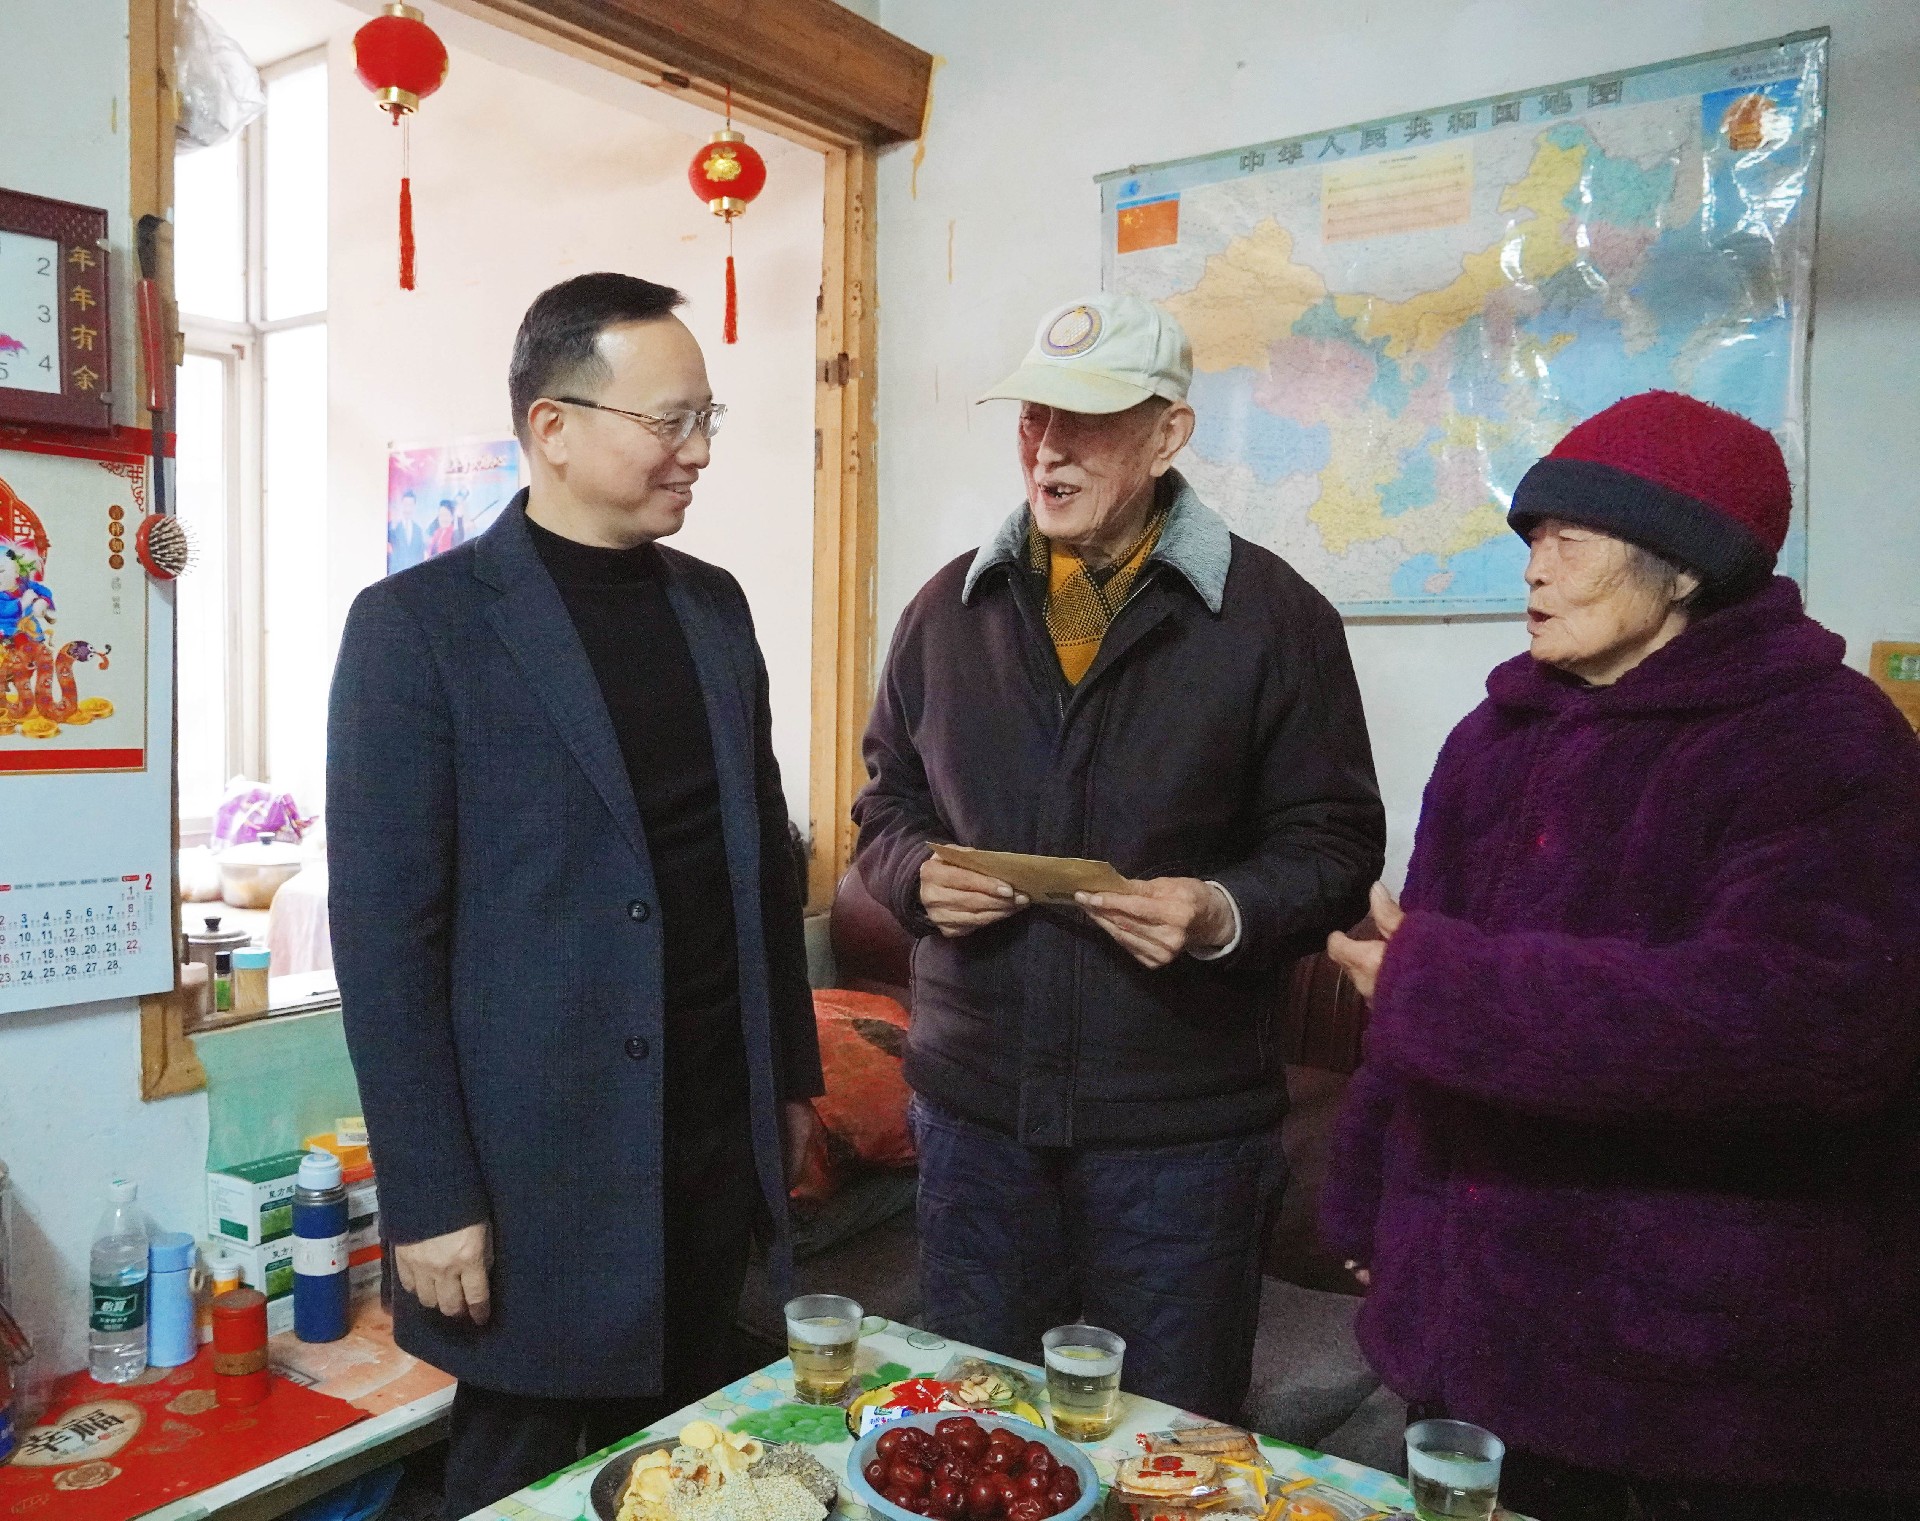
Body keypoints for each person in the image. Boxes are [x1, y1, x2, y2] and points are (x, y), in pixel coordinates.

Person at [1322, 391, 1920, 1520]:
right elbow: (1411, 991)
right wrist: (1368, 1201)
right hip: (1471, 1328)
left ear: (1684, 567)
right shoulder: (1494, 740)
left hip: (1693, 1372)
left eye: (1570, 540)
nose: (1535, 571)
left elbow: (1814, 1025)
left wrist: (1449, 989)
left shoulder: (1825, 739)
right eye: (1530, 540)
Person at [328, 273, 823, 1518]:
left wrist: (788, 1084)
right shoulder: (418, 629)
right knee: (524, 1476)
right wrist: (431, 1195)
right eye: (671, 421)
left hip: (707, 1141)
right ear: (553, 426)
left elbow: (758, 864)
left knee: (704, 1472)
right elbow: (386, 941)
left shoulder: (714, 608)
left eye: (708, 418)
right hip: (535, 1165)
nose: (698, 451)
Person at [855, 292, 1385, 1420]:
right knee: (974, 1435)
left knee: (1167, 1448)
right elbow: (886, 801)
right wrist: (914, 875)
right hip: (977, 1119)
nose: (1048, 447)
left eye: (1087, 420)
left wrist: (1222, 910)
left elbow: (1335, 843)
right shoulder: (945, 610)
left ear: (1167, 435)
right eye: (1033, 415)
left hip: (1180, 1139)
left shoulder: (1275, 618)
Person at [388, 488, 427, 572]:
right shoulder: (392, 527)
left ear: (414, 506)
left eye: (410, 505)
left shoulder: (418, 530)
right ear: (401, 505)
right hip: (395, 575)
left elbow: (420, 556)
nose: (408, 509)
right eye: (405, 505)